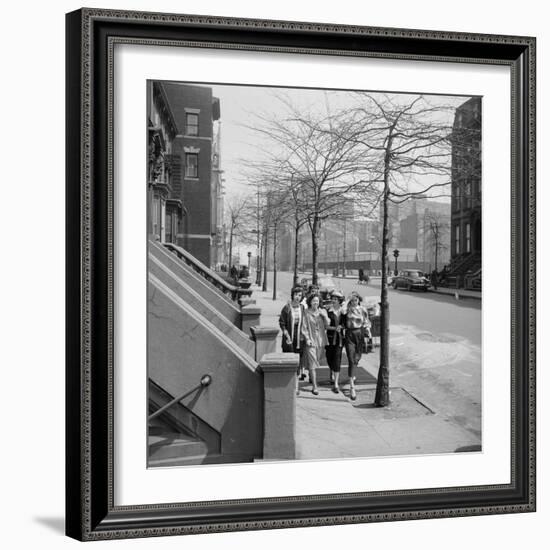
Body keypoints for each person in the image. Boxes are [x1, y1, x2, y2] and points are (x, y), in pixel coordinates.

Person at [343, 291, 370, 401]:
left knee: (357, 358)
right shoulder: (347, 309)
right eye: (352, 300)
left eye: (356, 300)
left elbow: (366, 321)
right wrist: (347, 301)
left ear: (358, 300)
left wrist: (368, 332)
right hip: (349, 334)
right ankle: (352, 387)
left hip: (360, 333)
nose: (354, 302)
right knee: (350, 358)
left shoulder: (363, 309)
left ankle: (353, 372)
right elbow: (343, 311)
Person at [301, 293, 329, 395]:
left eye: (317, 301)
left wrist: (325, 316)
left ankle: (310, 372)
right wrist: (307, 339)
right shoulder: (306, 312)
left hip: (321, 340)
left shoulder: (322, 311)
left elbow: (328, 324)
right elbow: (304, 327)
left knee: (316, 360)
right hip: (311, 340)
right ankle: (314, 386)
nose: (315, 303)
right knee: (313, 363)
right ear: (310, 302)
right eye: (313, 301)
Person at [278, 286, 306, 385]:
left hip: (299, 338)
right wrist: (286, 335)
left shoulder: (302, 308)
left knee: (298, 359)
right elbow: (282, 323)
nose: (297, 297)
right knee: (289, 358)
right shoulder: (287, 308)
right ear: (292, 295)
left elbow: (305, 322)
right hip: (289, 337)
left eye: (299, 295)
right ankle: (289, 382)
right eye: (296, 295)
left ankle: (296, 384)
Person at [325, 290, 345, 393]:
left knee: (337, 359)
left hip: (339, 340)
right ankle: (332, 372)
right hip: (329, 338)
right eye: (333, 298)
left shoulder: (343, 312)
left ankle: (336, 383)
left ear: (339, 301)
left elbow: (346, 323)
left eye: (336, 299)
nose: (334, 300)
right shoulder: (328, 311)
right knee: (329, 358)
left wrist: (341, 326)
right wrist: (334, 328)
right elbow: (325, 325)